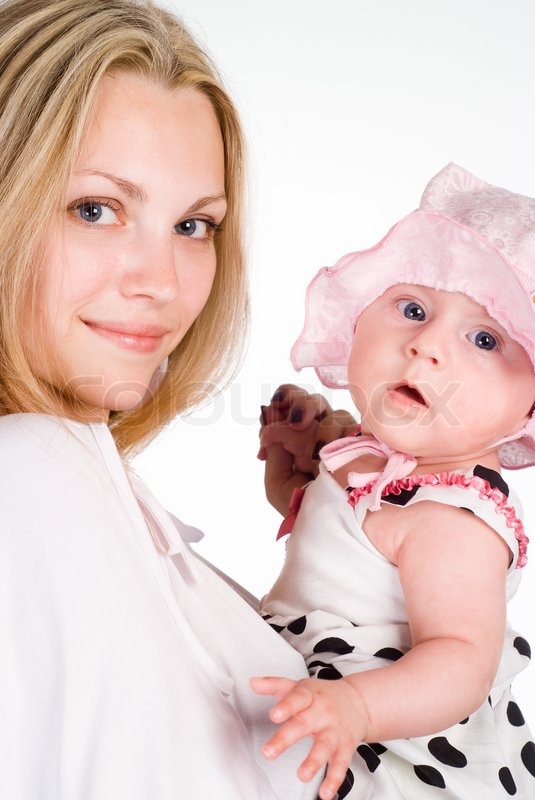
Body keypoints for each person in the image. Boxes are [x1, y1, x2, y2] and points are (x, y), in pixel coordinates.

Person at [0, 1, 332, 797]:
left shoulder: (86, 491)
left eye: (193, 226)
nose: (162, 282)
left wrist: (346, 537)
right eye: (95, 210)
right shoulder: (32, 472)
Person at [254, 163, 535, 800]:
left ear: (530, 406)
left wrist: (356, 708)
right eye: (413, 309)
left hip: (393, 746)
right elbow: (339, 547)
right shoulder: (377, 459)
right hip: (321, 695)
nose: (426, 345)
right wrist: (293, 471)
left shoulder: (452, 522)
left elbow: (461, 660)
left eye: (485, 339)